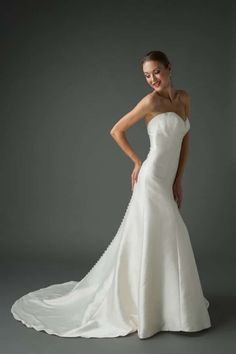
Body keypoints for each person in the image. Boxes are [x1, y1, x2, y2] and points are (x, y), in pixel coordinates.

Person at [11, 50, 211, 339]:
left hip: (167, 179)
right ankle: (153, 308)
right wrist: (137, 162)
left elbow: (185, 140)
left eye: (156, 71)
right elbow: (117, 130)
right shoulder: (150, 102)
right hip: (152, 179)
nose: (152, 79)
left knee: (164, 237)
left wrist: (179, 180)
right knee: (165, 234)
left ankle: (165, 306)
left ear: (169, 68)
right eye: (146, 75)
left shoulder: (184, 99)